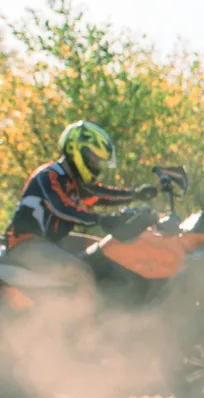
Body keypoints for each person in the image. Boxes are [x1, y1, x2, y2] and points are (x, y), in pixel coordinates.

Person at [2, 121, 156, 289]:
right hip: (26, 243)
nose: (96, 166)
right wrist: (101, 220)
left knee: (103, 252)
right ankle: (89, 315)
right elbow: (63, 207)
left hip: (52, 242)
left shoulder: (73, 182)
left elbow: (100, 195)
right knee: (81, 272)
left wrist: (135, 195)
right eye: (93, 160)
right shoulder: (48, 176)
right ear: (76, 152)